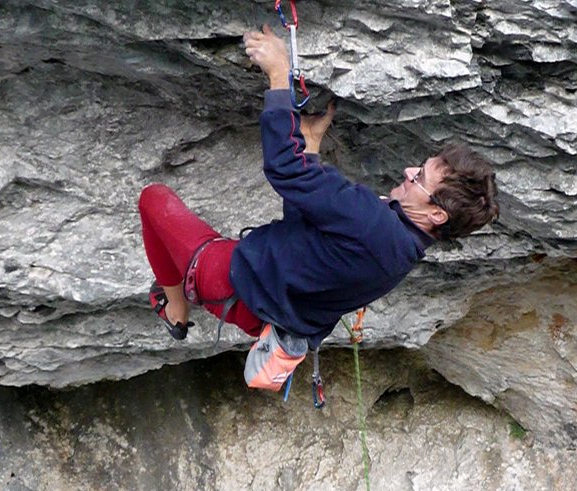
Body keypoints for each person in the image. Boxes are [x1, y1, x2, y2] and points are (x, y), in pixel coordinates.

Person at [138, 24, 499, 350]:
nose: (407, 171)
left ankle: (176, 307)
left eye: (418, 177)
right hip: (270, 311)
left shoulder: (373, 223)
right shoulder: (406, 250)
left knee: (153, 200)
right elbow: (313, 223)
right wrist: (309, 148)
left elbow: (284, 168)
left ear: (437, 212)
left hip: (231, 281)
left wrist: (279, 75)